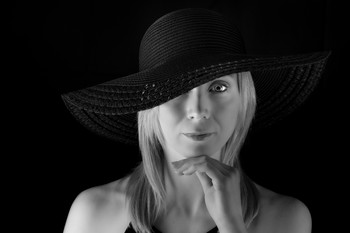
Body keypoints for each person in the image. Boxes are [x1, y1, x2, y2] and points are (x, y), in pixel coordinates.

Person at [61, 8, 330, 233]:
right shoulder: (94, 213)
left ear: (243, 100)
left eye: (219, 88)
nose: (198, 111)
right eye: (176, 90)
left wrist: (232, 226)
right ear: (149, 107)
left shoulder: (285, 218)